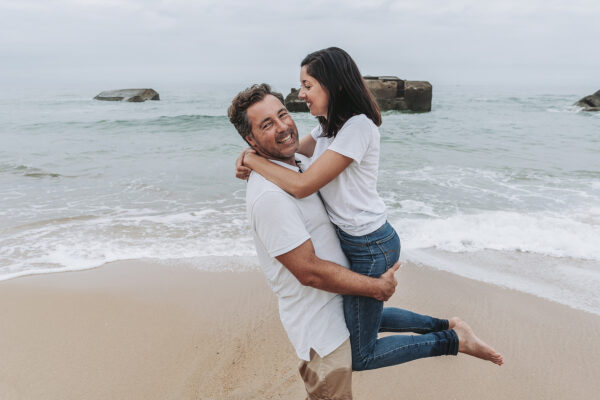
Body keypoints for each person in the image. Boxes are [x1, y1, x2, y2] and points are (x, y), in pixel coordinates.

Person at [235, 48, 503, 372]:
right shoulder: (326, 129)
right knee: (361, 317)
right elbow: (291, 152)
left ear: (333, 86)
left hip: (371, 244)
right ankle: (448, 324)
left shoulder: (358, 128)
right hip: (359, 240)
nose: (301, 94)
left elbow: (301, 185)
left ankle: (454, 341)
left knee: (362, 355)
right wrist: (255, 154)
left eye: (308, 85)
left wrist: (252, 159)